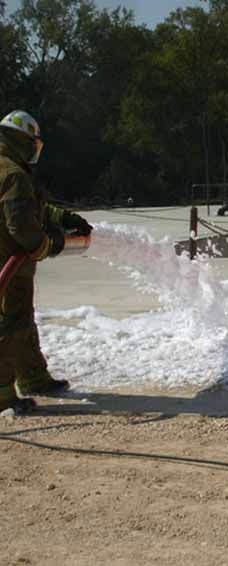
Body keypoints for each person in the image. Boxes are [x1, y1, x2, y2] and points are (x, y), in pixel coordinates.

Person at [0, 110, 92, 414]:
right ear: (21, 140)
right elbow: (22, 227)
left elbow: (34, 205)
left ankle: (34, 377)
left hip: (13, 268)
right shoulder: (13, 173)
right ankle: (3, 395)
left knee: (22, 319)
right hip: (7, 265)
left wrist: (63, 217)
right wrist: (47, 245)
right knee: (10, 325)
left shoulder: (10, 169)